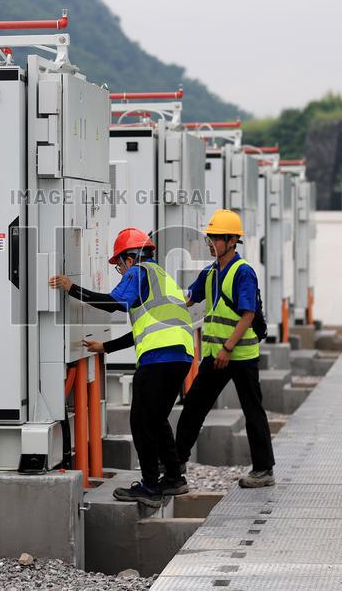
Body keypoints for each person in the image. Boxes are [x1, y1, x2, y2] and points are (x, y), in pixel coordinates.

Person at [50, 228, 193, 507]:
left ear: (130, 257)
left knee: (141, 422)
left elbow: (113, 304)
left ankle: (150, 486)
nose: (121, 269)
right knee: (157, 418)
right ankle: (174, 478)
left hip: (158, 358)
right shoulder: (163, 278)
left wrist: (72, 288)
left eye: (119, 263)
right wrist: (108, 347)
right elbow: (148, 327)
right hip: (181, 356)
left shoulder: (138, 273)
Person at [175, 209, 276, 489]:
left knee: (252, 410)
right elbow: (189, 298)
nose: (210, 243)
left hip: (239, 354)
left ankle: (264, 470)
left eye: (216, 238)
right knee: (193, 405)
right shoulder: (210, 273)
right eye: (210, 238)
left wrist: (228, 347)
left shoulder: (243, 272)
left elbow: (248, 313)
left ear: (232, 240)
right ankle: (175, 463)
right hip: (215, 355)